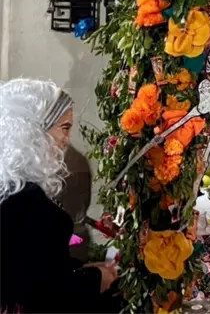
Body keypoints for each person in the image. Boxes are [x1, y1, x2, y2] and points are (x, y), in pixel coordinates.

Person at [0, 79, 119, 313]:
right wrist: (97, 278)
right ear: (32, 130)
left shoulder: (10, 188)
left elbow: (34, 267)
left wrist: (83, 269)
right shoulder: (29, 205)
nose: (67, 140)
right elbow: (50, 297)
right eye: (64, 128)